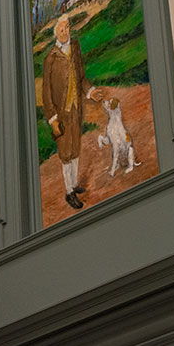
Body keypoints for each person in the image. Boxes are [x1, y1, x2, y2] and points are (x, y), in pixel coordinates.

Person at [42, 13, 104, 209]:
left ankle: (74, 183)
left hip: (75, 108)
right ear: (56, 34)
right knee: (65, 152)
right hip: (61, 113)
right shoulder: (50, 58)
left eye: (67, 27)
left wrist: (91, 92)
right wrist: (52, 118)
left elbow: (81, 77)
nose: (65, 32)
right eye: (62, 30)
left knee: (75, 147)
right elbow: (46, 93)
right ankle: (69, 192)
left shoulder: (75, 48)